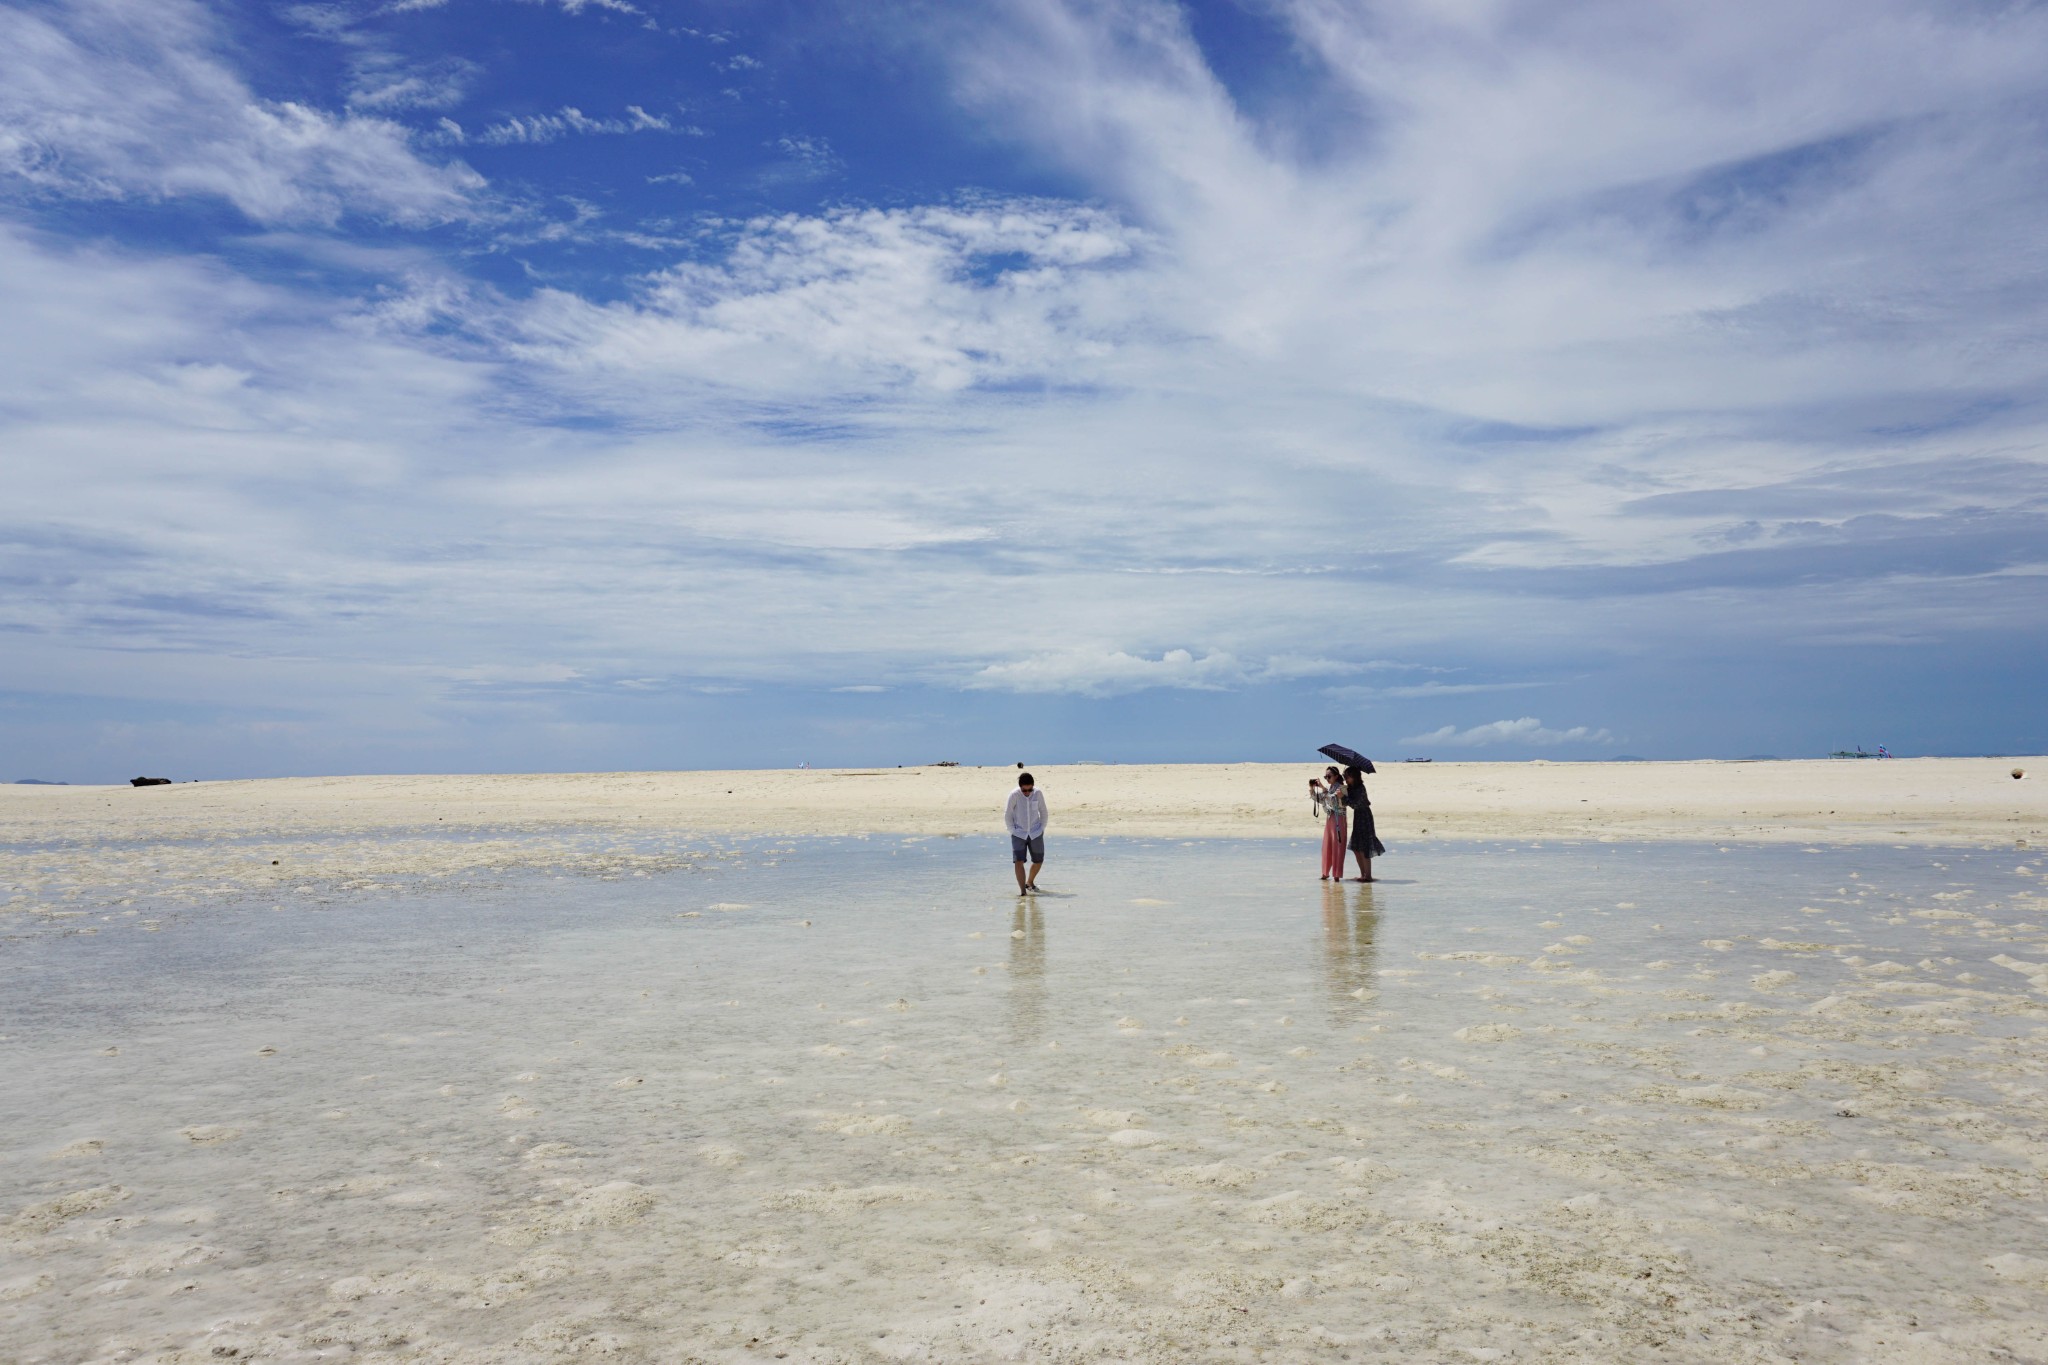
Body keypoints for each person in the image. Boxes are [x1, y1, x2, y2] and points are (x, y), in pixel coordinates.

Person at [1005, 771, 1048, 893]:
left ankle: (1029, 882)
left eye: (1030, 790)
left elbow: (1043, 812)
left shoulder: (1038, 793)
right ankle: (1023, 892)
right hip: (1018, 833)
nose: (1027, 793)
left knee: (1038, 860)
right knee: (1018, 861)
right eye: (1024, 790)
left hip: (1036, 832)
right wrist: (1012, 830)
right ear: (1020, 787)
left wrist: (1041, 828)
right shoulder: (1014, 795)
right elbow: (1007, 814)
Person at [1342, 765, 1385, 882]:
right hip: (1358, 817)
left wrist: (1343, 798)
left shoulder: (1361, 788)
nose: (1346, 779)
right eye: (1345, 777)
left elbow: (1355, 804)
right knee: (1356, 848)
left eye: (1347, 777)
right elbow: (1349, 802)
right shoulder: (1351, 788)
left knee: (1364, 847)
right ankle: (1363, 874)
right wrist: (1343, 791)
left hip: (1365, 817)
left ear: (1354, 777)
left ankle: (1368, 876)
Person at [1309, 765, 1347, 880]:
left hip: (1339, 819)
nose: (1327, 779)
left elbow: (1334, 800)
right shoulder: (1330, 787)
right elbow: (1320, 799)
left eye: (1329, 776)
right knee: (1327, 846)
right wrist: (1312, 788)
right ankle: (1325, 873)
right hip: (1330, 819)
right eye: (1325, 776)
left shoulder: (1342, 788)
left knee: (1337, 847)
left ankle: (1336, 875)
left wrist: (1323, 788)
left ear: (1336, 776)